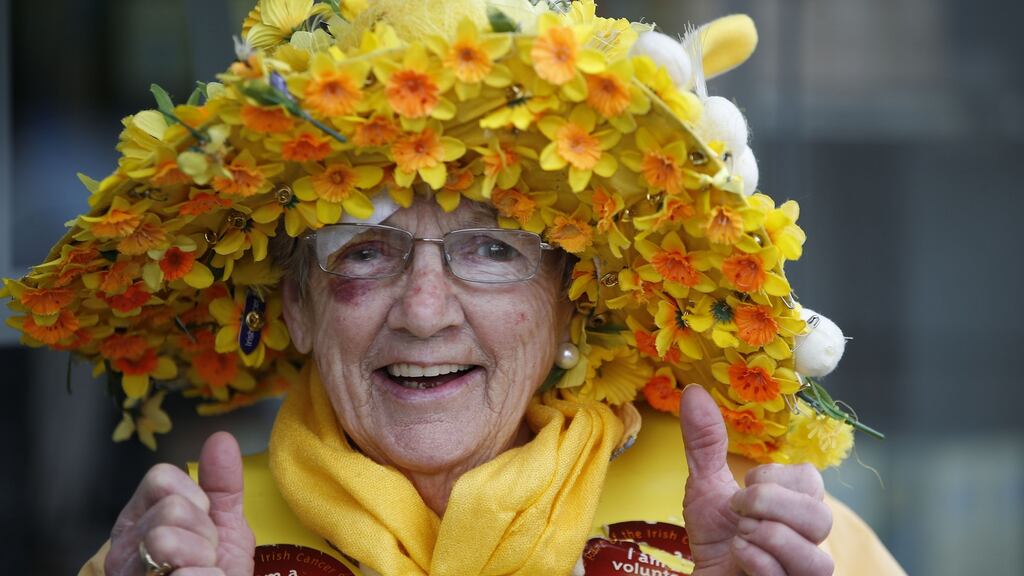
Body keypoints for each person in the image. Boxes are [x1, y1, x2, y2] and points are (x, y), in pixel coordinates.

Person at [2, 1, 905, 574]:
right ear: (296, 306)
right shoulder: (183, 550)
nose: (426, 311)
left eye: (492, 250)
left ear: (572, 300)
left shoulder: (757, 530)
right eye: (364, 251)